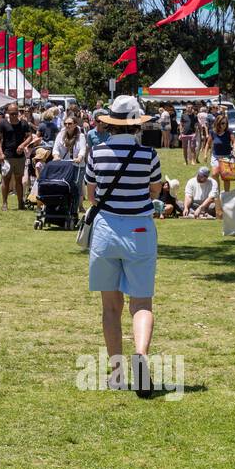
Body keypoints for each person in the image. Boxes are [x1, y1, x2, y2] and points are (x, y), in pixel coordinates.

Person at [83, 95, 163, 398]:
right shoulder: (148, 154)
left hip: (106, 231)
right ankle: (140, 354)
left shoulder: (97, 152)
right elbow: (155, 190)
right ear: (136, 124)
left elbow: (91, 195)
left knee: (110, 306)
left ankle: (117, 373)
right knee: (141, 303)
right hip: (140, 228)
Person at [0, 102, 30, 211]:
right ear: (7, 113)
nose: (14, 115)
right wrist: (0, 153)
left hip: (19, 157)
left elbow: (29, 137)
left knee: (19, 181)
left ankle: (20, 203)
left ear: (18, 112)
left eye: (15, 113)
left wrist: (23, 145)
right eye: (11, 114)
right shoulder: (2, 123)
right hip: (7, 156)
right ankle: (4, 203)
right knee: (6, 180)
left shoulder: (24, 123)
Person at [210, 113, 235, 191]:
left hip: (226, 157)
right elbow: (209, 142)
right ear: (218, 123)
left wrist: (234, 149)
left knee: (226, 177)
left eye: (226, 123)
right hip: (216, 157)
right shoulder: (213, 132)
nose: (224, 125)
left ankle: (226, 194)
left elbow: (234, 141)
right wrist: (205, 153)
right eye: (222, 123)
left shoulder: (229, 132)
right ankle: (217, 193)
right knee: (214, 174)